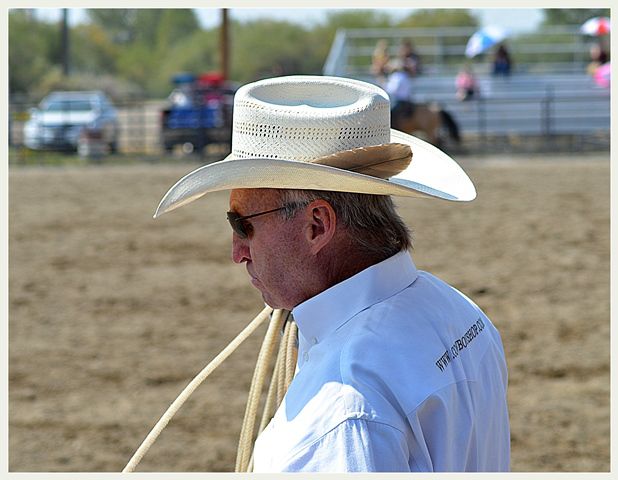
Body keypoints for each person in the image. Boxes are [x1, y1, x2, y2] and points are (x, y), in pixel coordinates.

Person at [154, 75, 511, 472]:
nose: (237, 252)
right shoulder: (461, 314)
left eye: (243, 225)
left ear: (318, 225)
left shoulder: (340, 418)